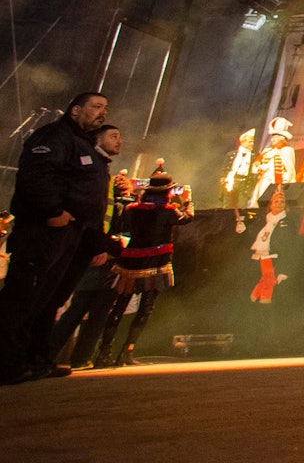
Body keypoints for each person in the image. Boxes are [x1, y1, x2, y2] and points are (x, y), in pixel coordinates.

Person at [0, 91, 111, 386]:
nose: (102, 112)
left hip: (70, 233)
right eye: (96, 107)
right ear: (75, 110)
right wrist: (52, 211)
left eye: (105, 108)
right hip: (43, 229)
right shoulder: (54, 136)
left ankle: (35, 358)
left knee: (48, 299)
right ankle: (6, 363)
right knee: (23, 296)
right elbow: (36, 175)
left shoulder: (84, 143)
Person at [93, 164, 195, 367]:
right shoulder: (167, 211)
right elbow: (188, 217)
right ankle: (125, 352)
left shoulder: (133, 209)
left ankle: (104, 353)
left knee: (118, 307)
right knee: (145, 308)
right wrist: (187, 200)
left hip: (130, 261)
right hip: (155, 263)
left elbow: (124, 227)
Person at [51, 168, 134, 370]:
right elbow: (102, 228)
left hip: (100, 257)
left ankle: (58, 355)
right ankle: (62, 356)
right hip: (101, 258)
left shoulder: (108, 202)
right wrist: (106, 248)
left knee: (86, 310)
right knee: (89, 310)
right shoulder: (106, 204)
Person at [251, 117, 296, 206]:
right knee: (260, 201)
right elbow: (256, 165)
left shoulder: (287, 150)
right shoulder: (266, 151)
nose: (272, 140)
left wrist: (286, 182)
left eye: (275, 137)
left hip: (276, 182)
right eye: (272, 137)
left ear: (282, 138)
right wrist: (258, 167)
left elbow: (289, 168)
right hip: (264, 180)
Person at [222, 128, 256, 208]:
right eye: (249, 141)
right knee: (228, 207)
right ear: (243, 142)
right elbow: (225, 169)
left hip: (244, 184)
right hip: (232, 182)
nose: (252, 143)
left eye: (253, 142)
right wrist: (224, 179)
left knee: (242, 207)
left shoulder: (253, 156)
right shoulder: (231, 155)